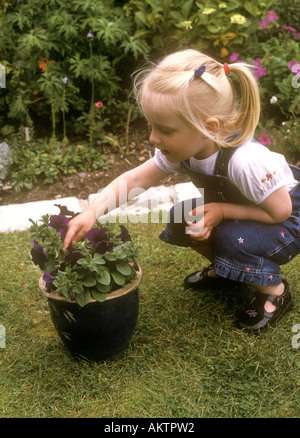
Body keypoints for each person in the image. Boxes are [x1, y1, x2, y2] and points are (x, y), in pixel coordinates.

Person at [63, 49, 300, 334]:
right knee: (182, 218)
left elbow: (281, 211)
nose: (153, 137)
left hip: (287, 217)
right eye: (151, 126)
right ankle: (230, 270)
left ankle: (274, 291)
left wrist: (224, 211)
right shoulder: (190, 146)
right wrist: (93, 211)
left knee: (231, 238)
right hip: (256, 214)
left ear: (208, 127)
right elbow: (138, 178)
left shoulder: (244, 161)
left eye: (164, 129)